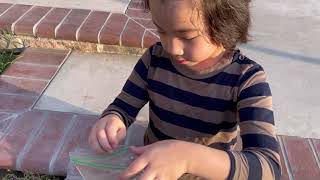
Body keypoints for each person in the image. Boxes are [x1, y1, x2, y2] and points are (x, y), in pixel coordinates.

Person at [88, 0, 281, 179]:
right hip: (153, 170)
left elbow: (267, 167)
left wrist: (189, 158)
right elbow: (123, 106)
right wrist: (112, 119)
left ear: (225, 21)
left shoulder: (246, 79)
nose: (171, 47)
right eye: (161, 30)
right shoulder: (154, 60)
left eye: (186, 36)